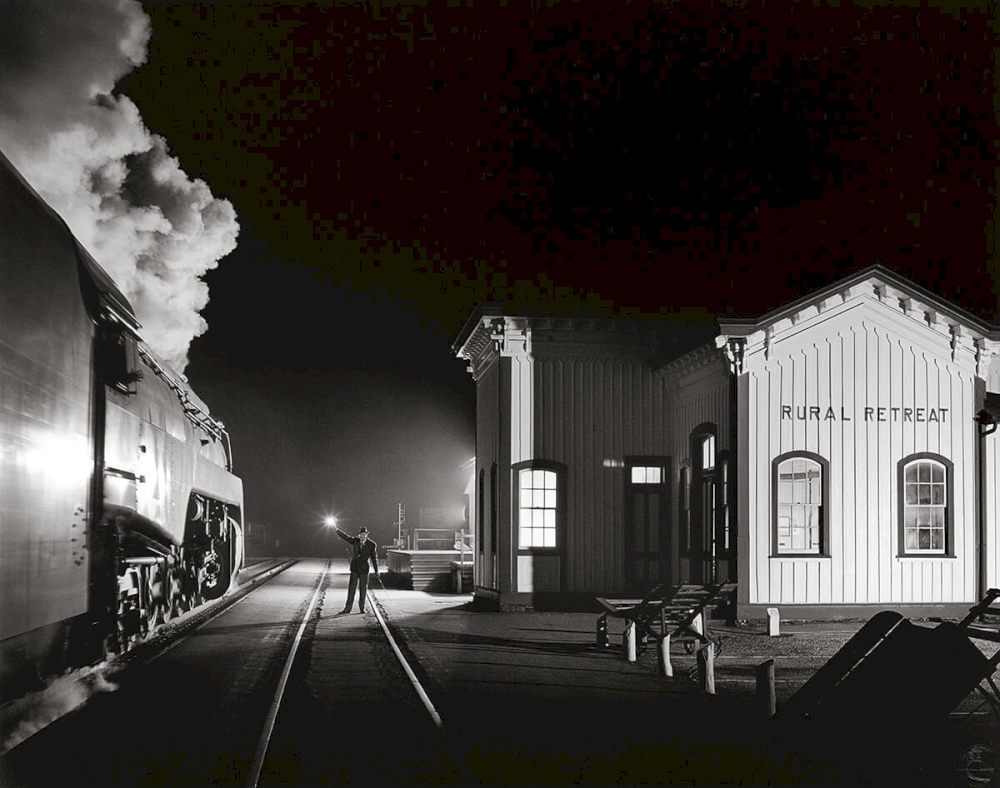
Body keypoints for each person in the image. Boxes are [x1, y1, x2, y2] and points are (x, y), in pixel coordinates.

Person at [333, 525, 380, 613]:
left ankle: (362, 608)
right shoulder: (355, 541)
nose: (362, 536)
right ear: (358, 535)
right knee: (351, 589)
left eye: (363, 534)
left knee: (363, 589)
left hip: (364, 570)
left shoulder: (372, 544)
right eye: (360, 535)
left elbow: (374, 558)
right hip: (354, 568)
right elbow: (346, 537)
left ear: (367, 535)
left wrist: (376, 570)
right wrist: (337, 530)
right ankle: (347, 608)